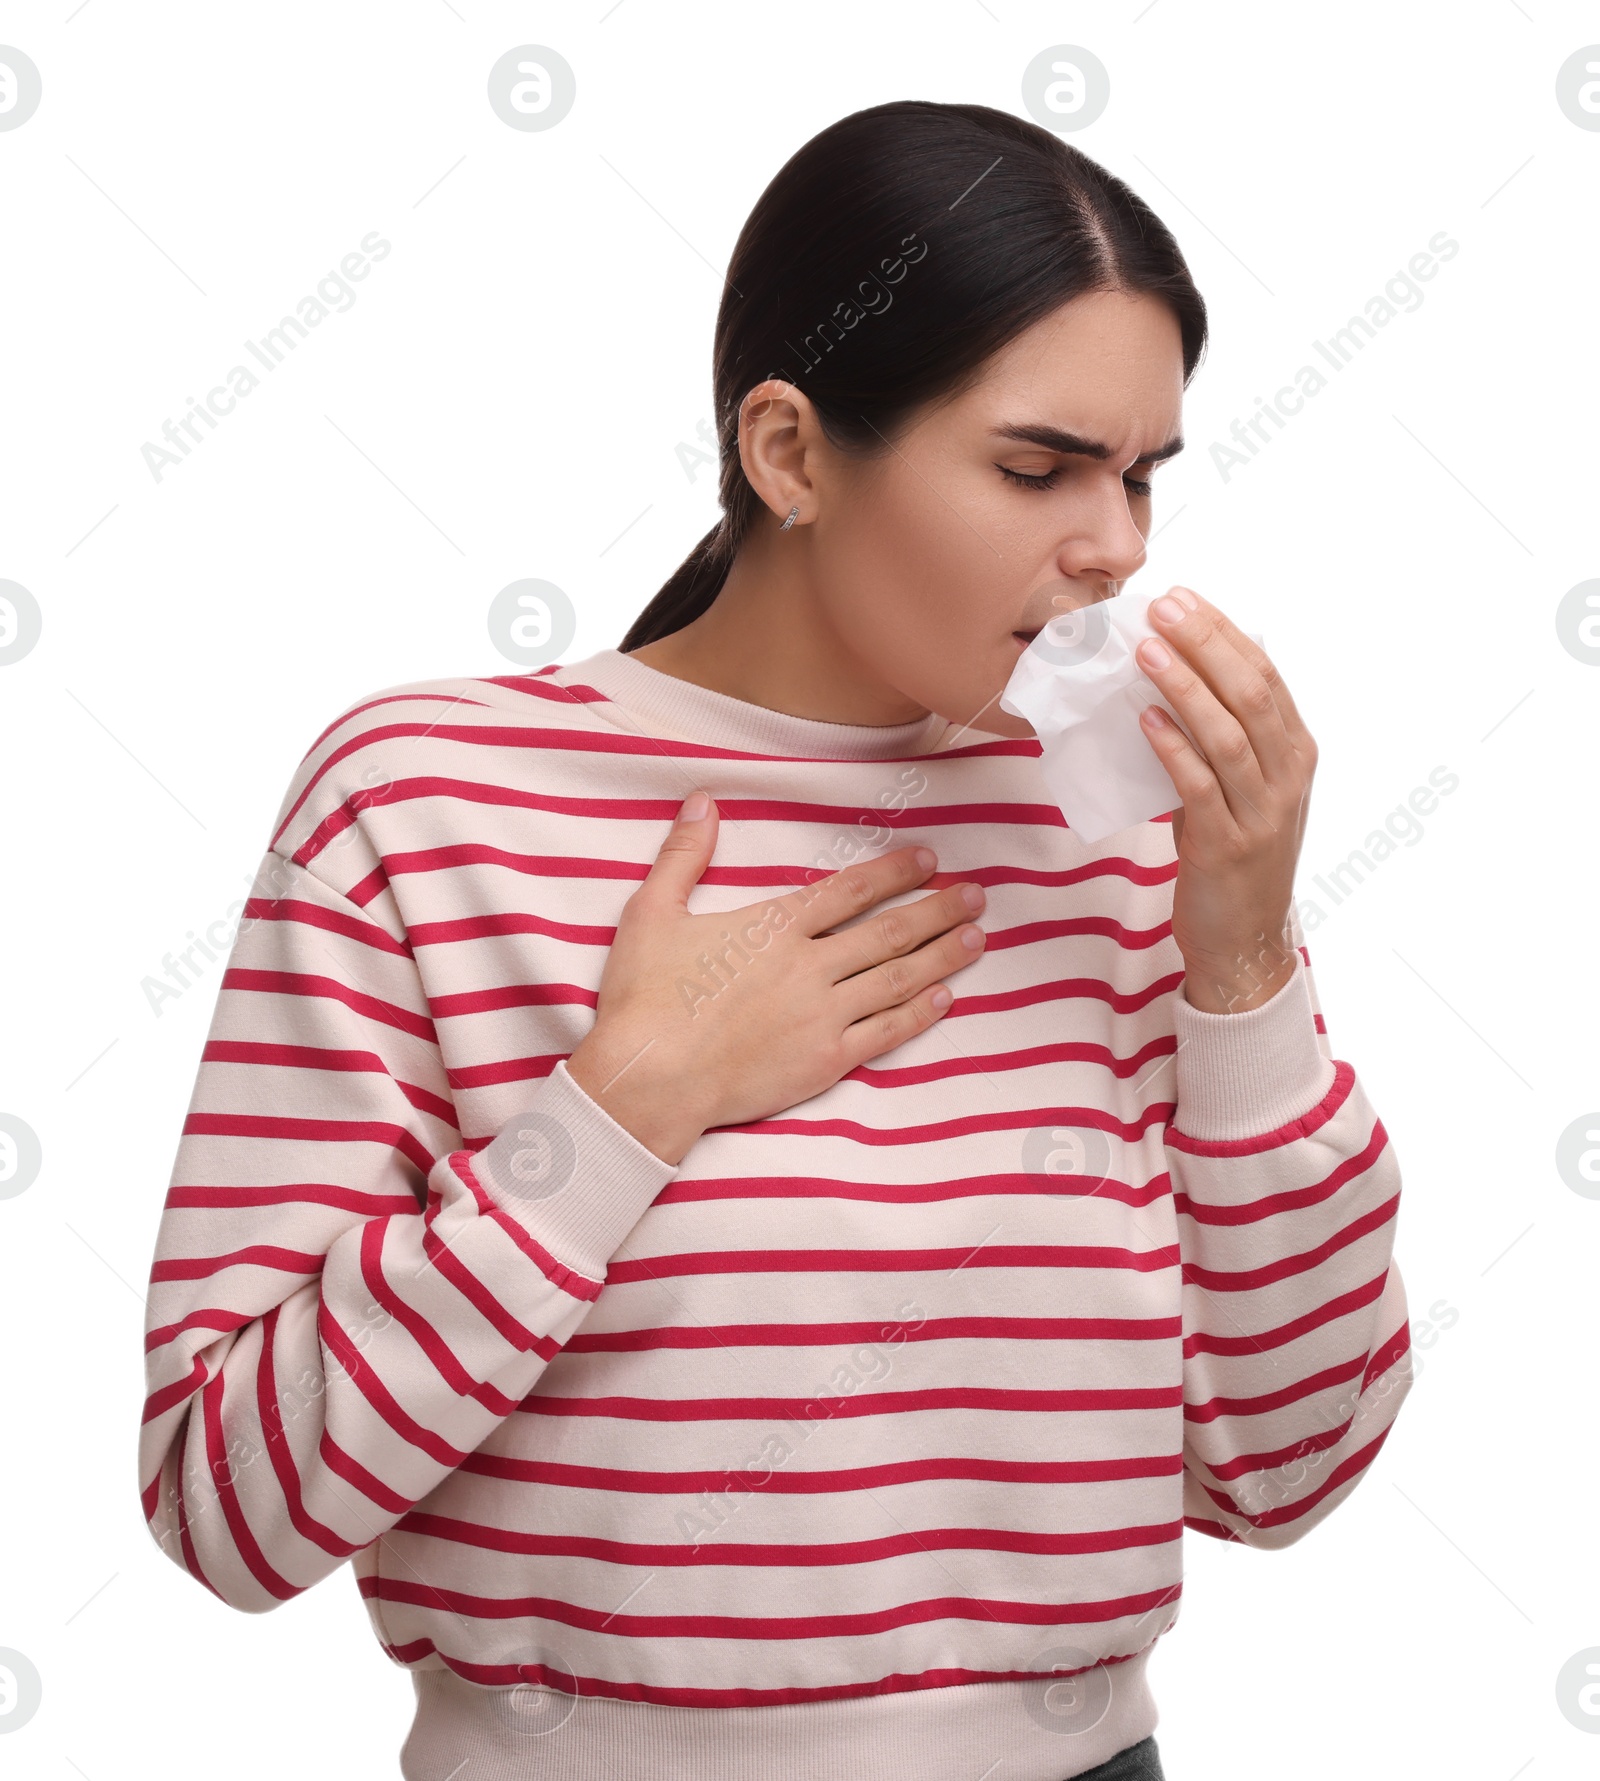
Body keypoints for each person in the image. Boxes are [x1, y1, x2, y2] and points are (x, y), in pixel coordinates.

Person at [137, 100, 1414, 1781]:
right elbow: (227, 1506)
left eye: (1143, 472)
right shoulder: (423, 801)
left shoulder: (1121, 840)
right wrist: (622, 1110)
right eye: (1038, 467)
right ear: (791, 451)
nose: (1117, 546)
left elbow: (1287, 1465)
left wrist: (1242, 965)